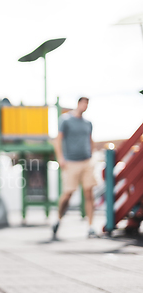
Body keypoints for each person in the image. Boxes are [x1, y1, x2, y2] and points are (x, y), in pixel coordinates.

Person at [53, 97, 97, 239]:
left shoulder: (88, 123)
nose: (85, 106)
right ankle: (58, 219)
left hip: (86, 162)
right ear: (78, 104)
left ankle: (90, 226)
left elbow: (90, 140)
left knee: (89, 193)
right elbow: (58, 140)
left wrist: (92, 155)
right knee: (68, 194)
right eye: (83, 103)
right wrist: (60, 158)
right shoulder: (65, 120)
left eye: (87, 104)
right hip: (71, 162)